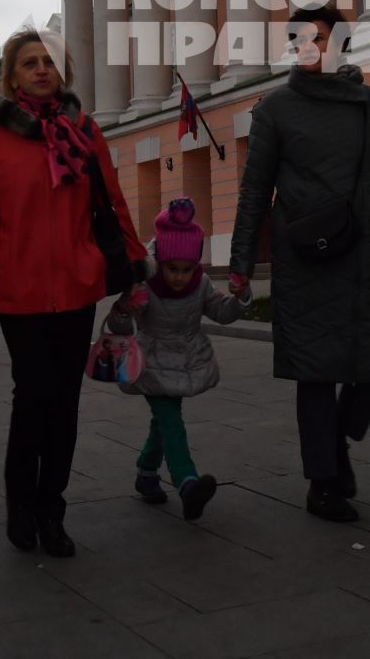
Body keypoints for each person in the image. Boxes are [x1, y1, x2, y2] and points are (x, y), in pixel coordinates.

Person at [0, 27, 147, 559]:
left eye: (49, 62)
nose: (42, 70)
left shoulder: (84, 130)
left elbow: (112, 204)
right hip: (19, 292)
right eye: (29, 63)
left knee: (64, 404)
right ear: (13, 76)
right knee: (33, 399)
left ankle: (52, 511)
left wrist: (132, 276)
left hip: (76, 285)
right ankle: (20, 507)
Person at [229, 5, 370, 523]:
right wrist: (240, 263)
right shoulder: (275, 108)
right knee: (315, 370)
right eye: (298, 38)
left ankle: (341, 433)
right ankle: (323, 484)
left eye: (318, 38)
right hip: (303, 255)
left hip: (364, 249)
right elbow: (255, 189)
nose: (307, 47)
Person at [109, 197, 251, 521]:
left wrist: (240, 299)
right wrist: (123, 308)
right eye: (173, 268)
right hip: (152, 362)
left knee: (163, 423)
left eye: (187, 269)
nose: (179, 277)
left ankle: (146, 472)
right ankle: (187, 484)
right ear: (160, 260)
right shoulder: (145, 286)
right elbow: (122, 328)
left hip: (185, 359)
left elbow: (220, 312)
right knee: (172, 421)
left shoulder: (200, 284)